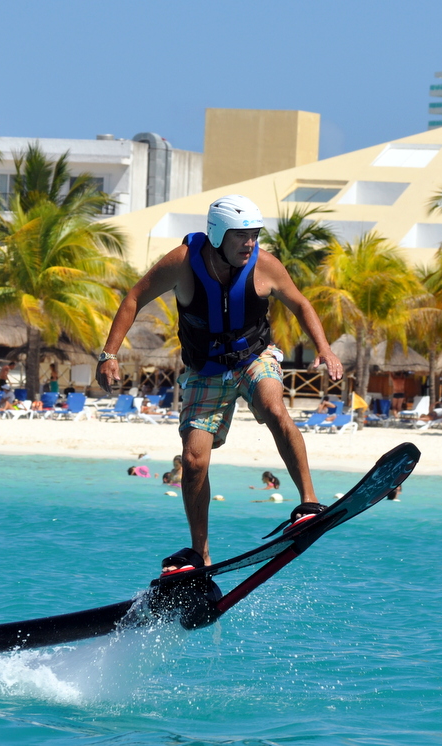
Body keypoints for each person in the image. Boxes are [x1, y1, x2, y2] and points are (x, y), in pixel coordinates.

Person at [96, 194, 344, 574]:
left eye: (254, 234)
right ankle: (201, 555)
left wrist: (325, 349)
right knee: (194, 461)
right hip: (204, 370)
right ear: (216, 235)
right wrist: (109, 353)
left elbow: (301, 305)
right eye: (240, 235)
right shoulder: (182, 264)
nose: (250, 243)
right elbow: (134, 298)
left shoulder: (265, 265)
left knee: (273, 406)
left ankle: (309, 503)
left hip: (254, 357)